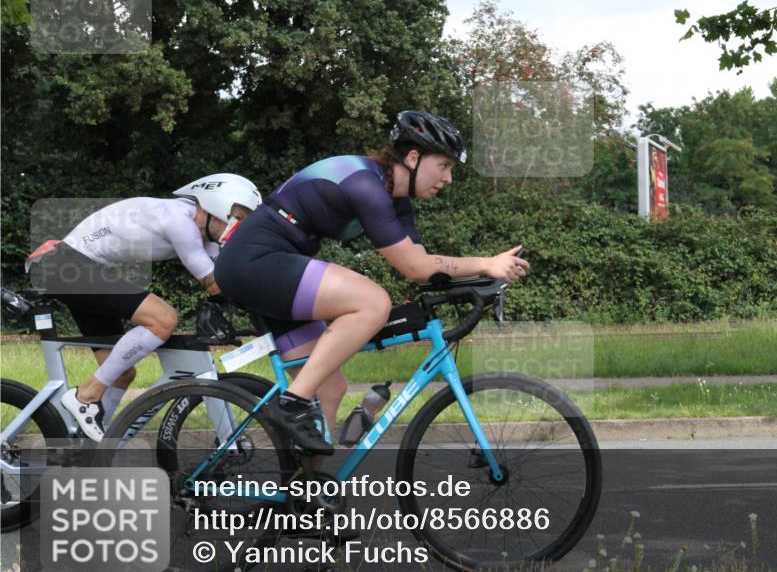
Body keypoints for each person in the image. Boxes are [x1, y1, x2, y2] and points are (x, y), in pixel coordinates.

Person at [214, 111, 529, 454]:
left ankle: (307, 484)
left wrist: (482, 276)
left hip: (272, 269)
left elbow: (424, 265)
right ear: (413, 157)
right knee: (372, 302)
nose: (448, 178)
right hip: (255, 261)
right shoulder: (366, 184)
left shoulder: (396, 199)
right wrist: (485, 263)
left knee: (329, 388)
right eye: (444, 165)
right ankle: (291, 405)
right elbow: (414, 267)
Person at [25, 174, 262, 441]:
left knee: (122, 373)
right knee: (163, 319)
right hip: (68, 266)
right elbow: (215, 283)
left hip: (79, 267)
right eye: (238, 218)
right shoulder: (179, 221)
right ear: (217, 205)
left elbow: (228, 275)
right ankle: (86, 396)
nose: (238, 229)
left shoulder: (199, 233)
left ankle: (90, 446)